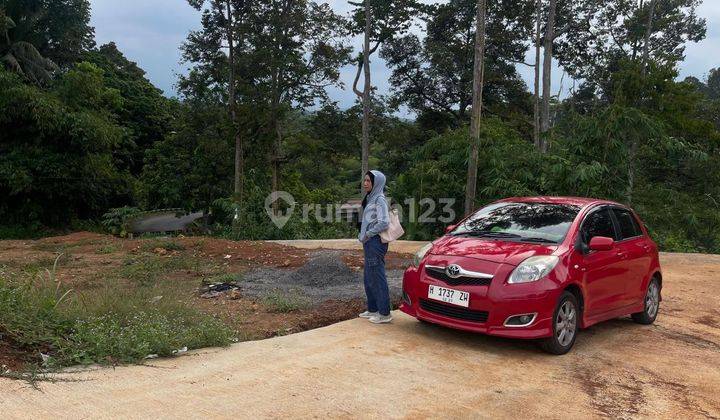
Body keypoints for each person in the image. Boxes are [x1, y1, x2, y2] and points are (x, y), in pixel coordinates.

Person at [357, 170, 392, 324]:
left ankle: (384, 313)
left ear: (376, 183)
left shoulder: (379, 199)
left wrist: (369, 233)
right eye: (364, 180)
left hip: (375, 242)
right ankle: (373, 309)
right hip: (369, 242)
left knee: (377, 276)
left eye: (368, 181)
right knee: (369, 277)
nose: (365, 184)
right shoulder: (370, 197)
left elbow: (384, 222)